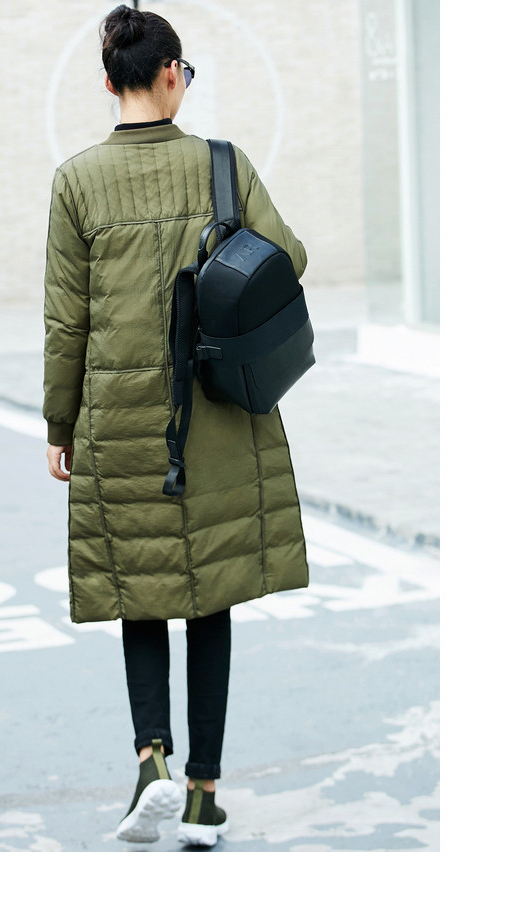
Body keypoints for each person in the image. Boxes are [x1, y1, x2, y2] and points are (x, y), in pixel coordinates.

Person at [43, 4, 309, 848]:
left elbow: (66, 322)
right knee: (210, 601)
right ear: (170, 75)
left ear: (109, 81)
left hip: (118, 422)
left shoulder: (76, 182)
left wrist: (60, 423)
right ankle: (201, 797)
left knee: (142, 590)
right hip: (217, 413)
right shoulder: (223, 165)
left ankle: (150, 756)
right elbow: (290, 258)